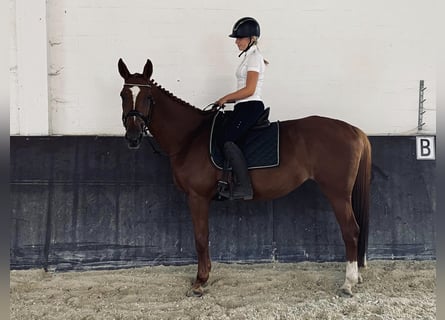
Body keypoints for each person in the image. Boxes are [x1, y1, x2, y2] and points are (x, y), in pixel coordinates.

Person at [216, 17, 268, 200]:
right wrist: (229, 101)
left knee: (228, 140)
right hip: (243, 105)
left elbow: (249, 90)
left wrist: (226, 97)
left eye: (240, 38)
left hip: (251, 106)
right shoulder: (248, 57)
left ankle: (244, 187)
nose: (237, 42)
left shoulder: (254, 58)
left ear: (252, 39)